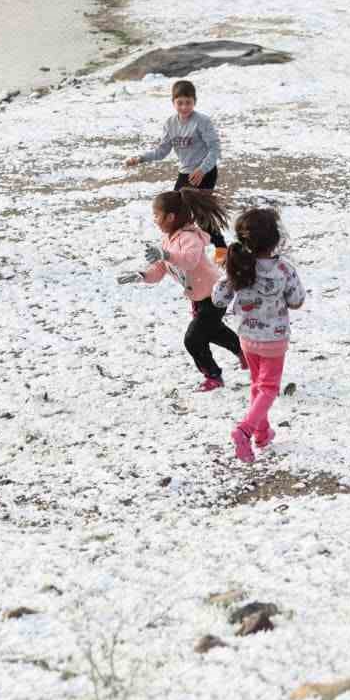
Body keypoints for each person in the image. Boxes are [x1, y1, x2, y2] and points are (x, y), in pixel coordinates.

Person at [117, 188, 245, 392]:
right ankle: (244, 352)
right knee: (213, 331)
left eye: (157, 215)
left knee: (193, 339)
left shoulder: (190, 238)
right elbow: (159, 270)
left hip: (215, 294)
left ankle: (213, 376)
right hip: (198, 297)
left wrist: (166, 255)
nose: (154, 220)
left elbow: (189, 261)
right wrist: (141, 276)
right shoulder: (168, 240)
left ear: (170, 217)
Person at [212, 208, 305, 463]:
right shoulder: (284, 268)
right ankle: (245, 430)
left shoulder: (239, 266)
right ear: (275, 239)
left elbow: (218, 299)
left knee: (257, 385)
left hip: (247, 337)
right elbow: (297, 300)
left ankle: (262, 434)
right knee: (269, 388)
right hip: (274, 338)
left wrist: (228, 274)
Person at [123, 79, 228, 257]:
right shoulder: (170, 124)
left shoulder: (202, 121)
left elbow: (215, 149)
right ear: (173, 102)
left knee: (201, 214)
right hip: (185, 172)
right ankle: (180, 246)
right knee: (174, 210)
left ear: (194, 101)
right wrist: (140, 158)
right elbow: (162, 151)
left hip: (205, 173)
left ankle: (221, 248)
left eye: (188, 102)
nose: (184, 107)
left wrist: (202, 169)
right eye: (180, 103)